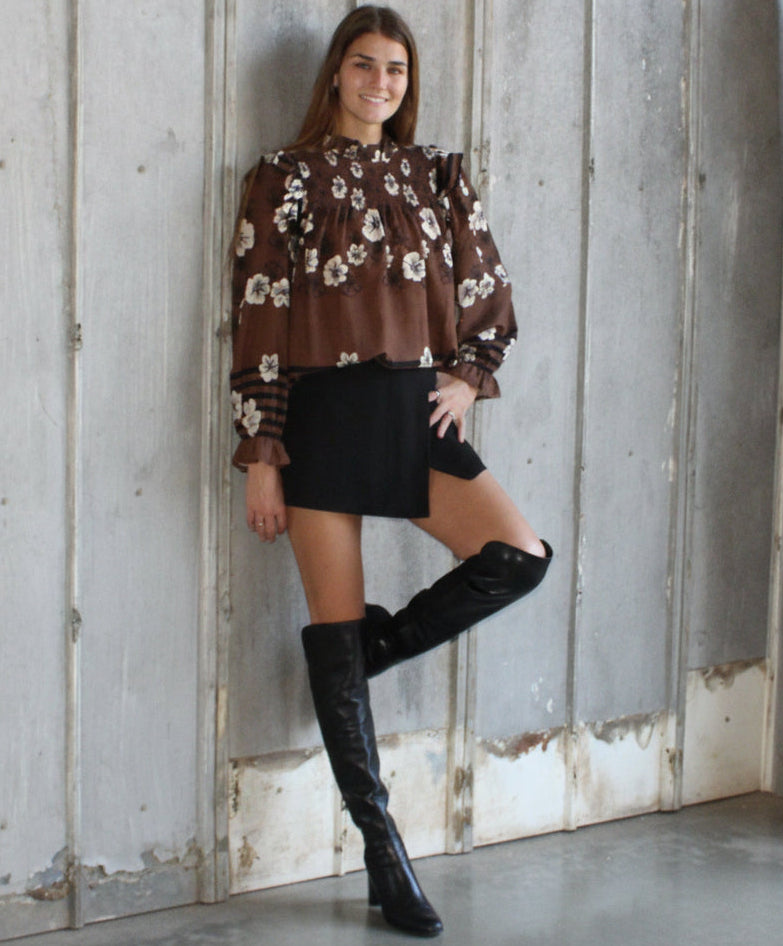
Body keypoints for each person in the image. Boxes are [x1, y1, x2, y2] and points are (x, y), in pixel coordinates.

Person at [229, 5, 551, 937]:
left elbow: (489, 289)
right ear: (336, 74)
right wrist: (263, 455)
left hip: (414, 409)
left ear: (408, 84)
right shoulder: (280, 179)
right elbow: (258, 316)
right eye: (364, 65)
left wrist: (467, 376)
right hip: (320, 416)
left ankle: (369, 652)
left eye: (396, 71)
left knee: (519, 557)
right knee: (332, 621)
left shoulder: (438, 172)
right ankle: (384, 850)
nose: (380, 83)